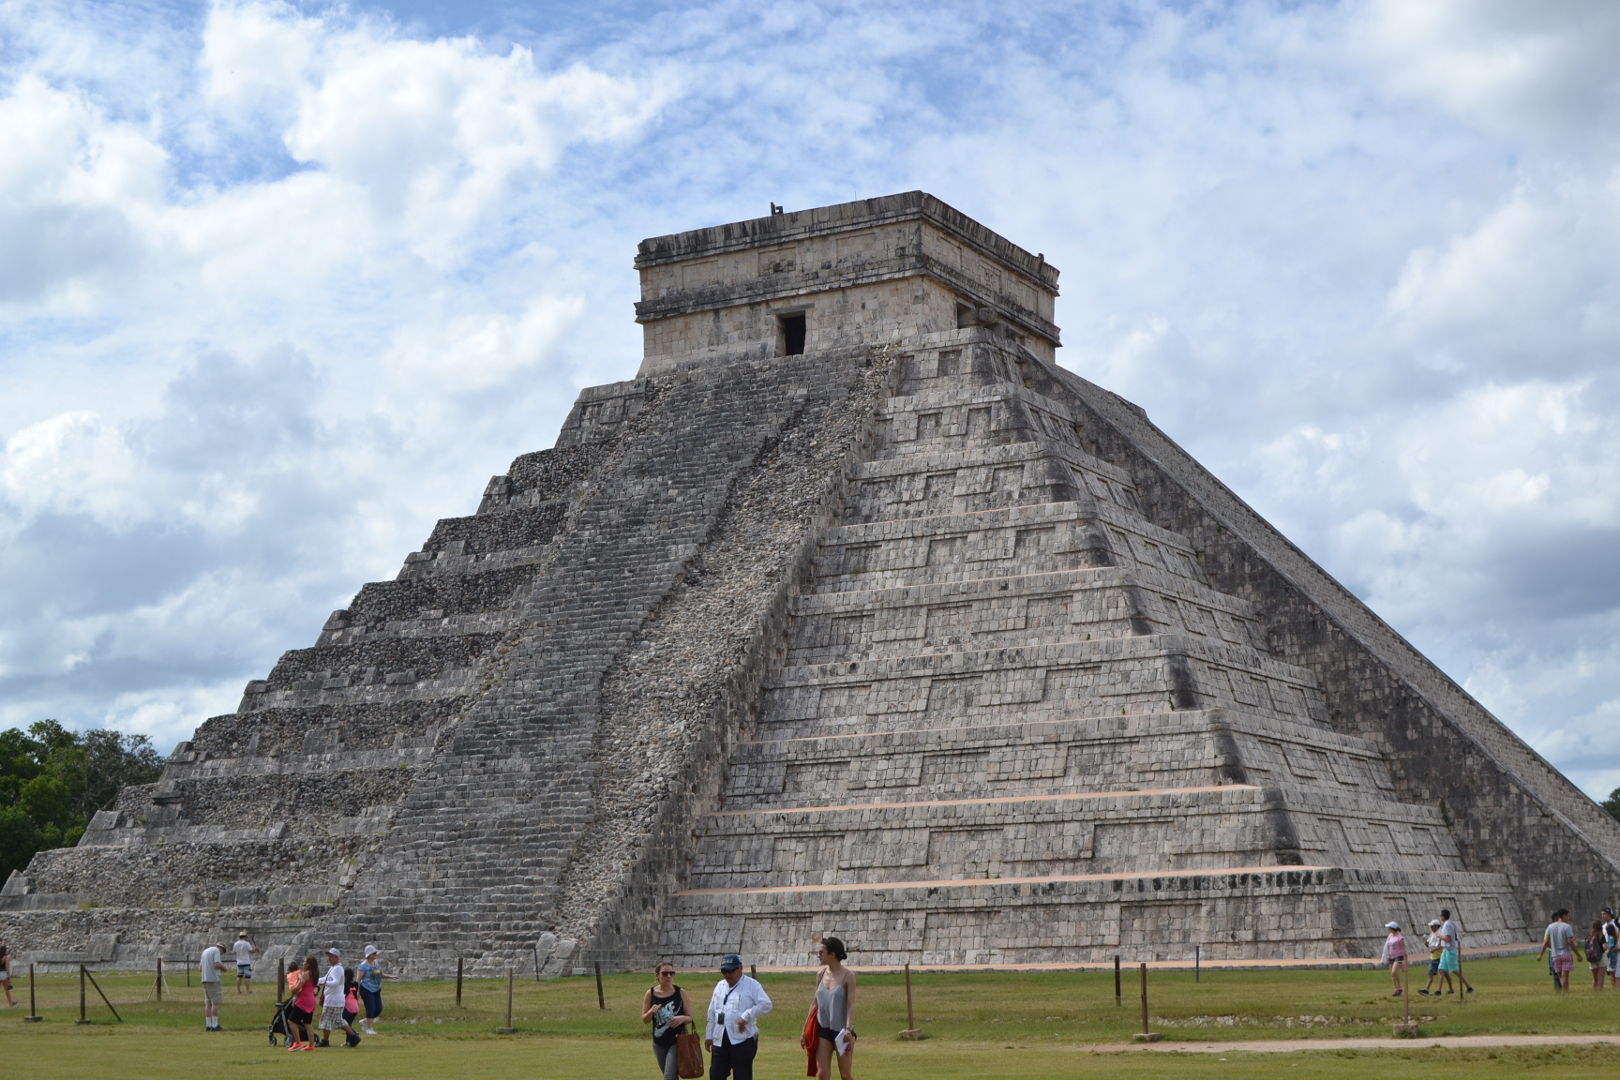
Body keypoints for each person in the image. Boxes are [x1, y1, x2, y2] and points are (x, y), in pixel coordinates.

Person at [705, 953, 771, 1080]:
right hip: (720, 1037)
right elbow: (712, 1012)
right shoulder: (720, 986)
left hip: (742, 1039)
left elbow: (766, 1004)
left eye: (730, 970)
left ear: (740, 968)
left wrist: (746, 1016)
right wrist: (709, 1034)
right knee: (716, 1074)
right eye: (724, 971)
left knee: (742, 1076)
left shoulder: (752, 985)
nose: (727, 975)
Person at [811, 936, 857, 1080]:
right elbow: (814, 1003)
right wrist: (804, 1031)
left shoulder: (848, 976)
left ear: (832, 954)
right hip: (823, 1030)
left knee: (845, 1075)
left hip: (842, 1032)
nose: (818, 955)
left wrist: (849, 1029)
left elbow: (850, 1005)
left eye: (821, 952)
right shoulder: (821, 974)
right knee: (822, 1074)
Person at [642, 962, 695, 1080]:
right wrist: (651, 1012)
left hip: (677, 1041)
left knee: (669, 1077)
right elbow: (645, 1020)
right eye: (665, 973)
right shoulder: (650, 993)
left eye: (671, 973)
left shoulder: (681, 993)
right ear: (657, 976)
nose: (669, 976)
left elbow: (690, 1018)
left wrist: (682, 1018)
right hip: (658, 1043)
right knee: (670, 1076)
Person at [317, 947, 361, 1047]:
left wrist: (324, 983)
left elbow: (335, 982)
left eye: (331, 956)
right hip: (334, 999)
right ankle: (353, 1036)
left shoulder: (337, 969)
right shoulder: (333, 968)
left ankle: (326, 1041)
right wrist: (316, 980)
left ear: (337, 957)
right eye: (329, 956)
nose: (329, 958)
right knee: (337, 1020)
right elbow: (326, 978)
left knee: (329, 1020)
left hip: (333, 999)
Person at [356, 944, 398, 1035]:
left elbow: (379, 975)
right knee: (370, 1008)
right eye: (374, 953)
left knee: (378, 1008)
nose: (375, 954)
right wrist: (357, 991)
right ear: (369, 954)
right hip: (366, 989)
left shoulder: (376, 964)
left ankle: (365, 1021)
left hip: (376, 989)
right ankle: (369, 1028)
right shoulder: (362, 966)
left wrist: (390, 977)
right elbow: (358, 979)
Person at [1537, 908, 1579, 991]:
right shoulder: (1567, 927)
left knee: (1560, 976)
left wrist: (1540, 955)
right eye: (1567, 916)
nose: (1568, 918)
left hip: (1555, 955)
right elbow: (1570, 942)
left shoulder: (1550, 927)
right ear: (1564, 916)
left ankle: (1563, 991)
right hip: (1566, 954)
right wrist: (1578, 954)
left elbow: (1546, 942)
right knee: (1565, 976)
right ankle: (1565, 991)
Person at [287, 956, 319, 1051]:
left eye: (305, 962)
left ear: (308, 964)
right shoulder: (314, 974)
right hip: (311, 1000)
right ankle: (311, 1044)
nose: (303, 963)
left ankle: (297, 1042)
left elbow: (300, 984)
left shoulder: (306, 974)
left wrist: (294, 990)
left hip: (303, 1000)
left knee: (291, 1021)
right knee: (307, 1023)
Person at [1438, 908, 1473, 993]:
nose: (1440, 917)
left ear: (1443, 916)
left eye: (1441, 916)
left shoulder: (1447, 925)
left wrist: (1439, 936)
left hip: (1450, 950)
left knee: (1454, 970)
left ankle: (1469, 987)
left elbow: (1448, 938)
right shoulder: (1450, 924)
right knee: (1441, 969)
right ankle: (1439, 990)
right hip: (1446, 950)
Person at [200, 941, 228, 1030]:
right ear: (221, 949)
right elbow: (216, 964)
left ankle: (208, 1025)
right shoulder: (216, 951)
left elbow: (200, 968)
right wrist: (223, 968)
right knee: (215, 1002)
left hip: (204, 979)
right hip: (213, 979)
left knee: (208, 1003)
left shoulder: (205, 951)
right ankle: (215, 1025)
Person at [1418, 920, 1449, 995]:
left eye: (1432, 926)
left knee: (1444, 974)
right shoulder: (1432, 934)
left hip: (1441, 956)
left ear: (1437, 926)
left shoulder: (1441, 933)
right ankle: (1426, 989)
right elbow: (1429, 944)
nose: (1431, 928)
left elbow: (1442, 944)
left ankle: (1444, 989)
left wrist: (1434, 949)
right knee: (1430, 973)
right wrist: (1425, 943)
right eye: (1431, 926)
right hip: (1433, 956)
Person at [1380, 922, 1407, 996]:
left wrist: (1403, 965)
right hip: (1390, 956)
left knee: (1394, 972)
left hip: (1398, 956)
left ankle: (1399, 987)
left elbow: (1403, 949)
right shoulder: (1390, 936)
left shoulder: (1400, 937)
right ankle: (1397, 989)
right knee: (1392, 974)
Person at [1586, 921, 1607, 990]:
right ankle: (1599, 992)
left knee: (1595, 978)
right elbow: (1604, 947)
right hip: (1601, 957)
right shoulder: (1601, 935)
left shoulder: (1589, 935)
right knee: (1600, 978)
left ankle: (1594, 992)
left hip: (1591, 957)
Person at [1603, 909, 1620, 989]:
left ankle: (1615, 987)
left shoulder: (1615, 925)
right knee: (1613, 973)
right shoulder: (1604, 926)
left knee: (1614, 973)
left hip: (1613, 954)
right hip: (1612, 952)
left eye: (1605, 914)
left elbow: (1611, 946)